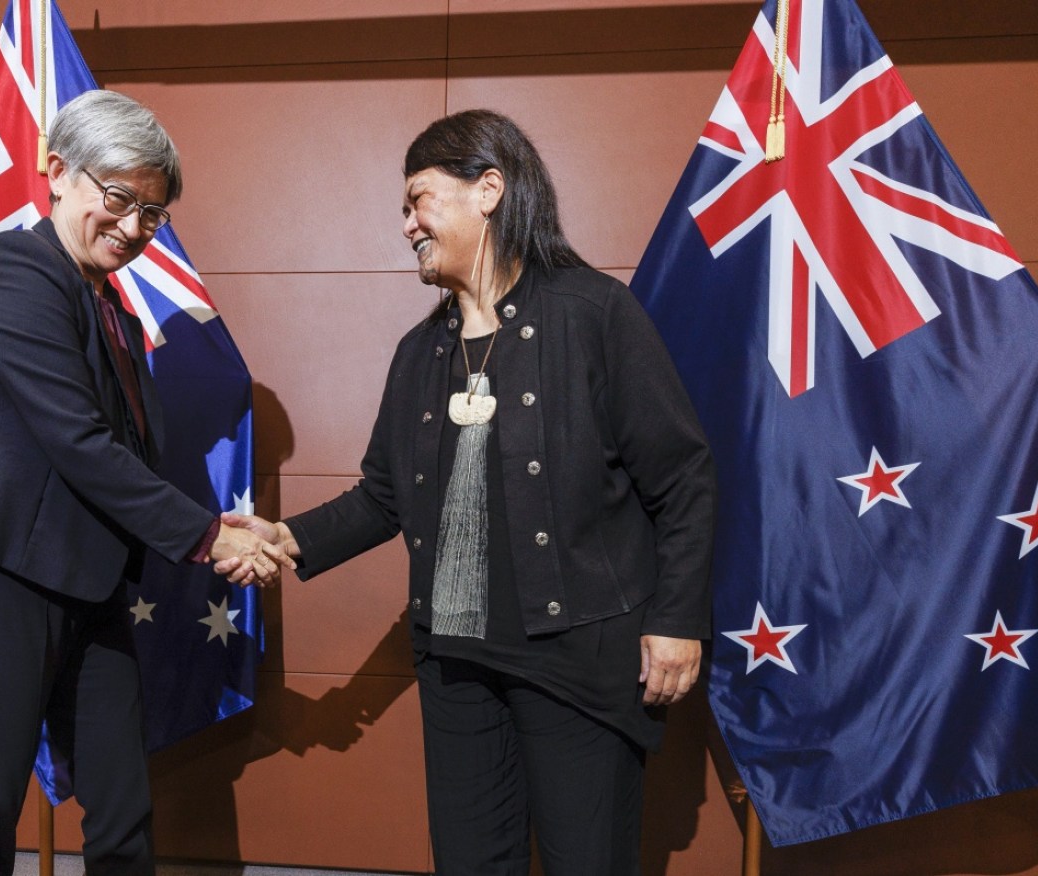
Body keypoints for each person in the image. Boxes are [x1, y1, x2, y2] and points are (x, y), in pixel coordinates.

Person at [219, 109, 715, 875]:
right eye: (404, 209)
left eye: (419, 199)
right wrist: (287, 539)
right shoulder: (419, 352)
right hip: (455, 668)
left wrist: (677, 620)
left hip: (578, 665)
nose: (408, 224)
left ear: (489, 188)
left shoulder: (594, 315)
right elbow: (384, 495)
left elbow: (682, 478)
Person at [0, 89, 290, 876]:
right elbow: (78, 444)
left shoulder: (108, 300)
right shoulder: (15, 272)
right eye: (119, 199)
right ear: (56, 171)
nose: (133, 229)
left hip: (89, 587)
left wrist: (217, 528)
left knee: (121, 812)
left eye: (152, 214)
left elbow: (128, 455)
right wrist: (210, 535)